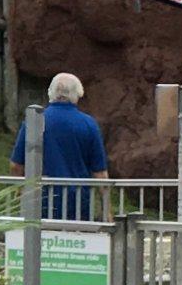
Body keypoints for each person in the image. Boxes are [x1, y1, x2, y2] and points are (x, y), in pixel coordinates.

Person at [11, 72, 110, 219]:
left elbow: (16, 166)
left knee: (37, 240)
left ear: (51, 93)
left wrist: (18, 193)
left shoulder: (34, 122)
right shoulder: (89, 124)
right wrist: (107, 210)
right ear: (78, 94)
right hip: (78, 204)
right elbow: (100, 173)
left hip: (39, 200)